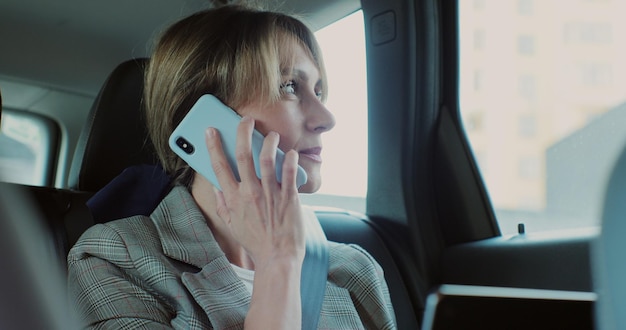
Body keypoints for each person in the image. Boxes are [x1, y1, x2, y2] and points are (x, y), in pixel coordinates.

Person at [68, 4, 396, 329]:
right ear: (204, 118)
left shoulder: (354, 269)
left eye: (319, 91)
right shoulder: (114, 258)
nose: (327, 119)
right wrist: (277, 262)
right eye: (290, 86)